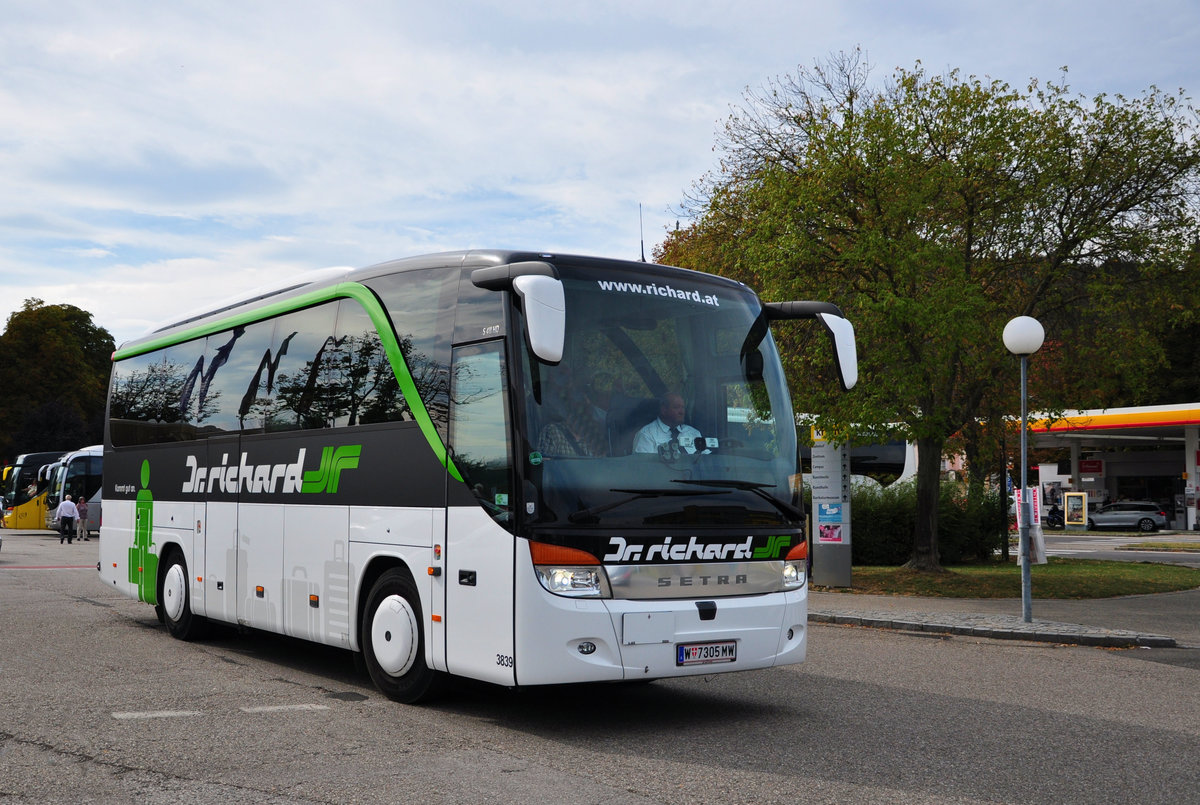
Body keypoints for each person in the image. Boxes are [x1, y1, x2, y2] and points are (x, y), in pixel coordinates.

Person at [632, 392, 702, 454]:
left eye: (683, 407)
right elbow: (642, 467)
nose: (682, 412)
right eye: (676, 407)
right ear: (664, 410)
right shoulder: (647, 435)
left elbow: (705, 462)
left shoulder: (694, 434)